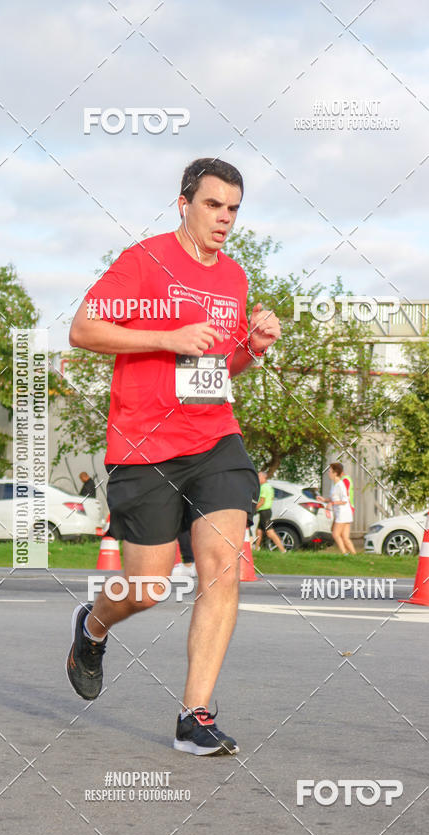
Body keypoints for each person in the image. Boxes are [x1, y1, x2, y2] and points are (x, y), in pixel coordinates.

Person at [66, 158, 281, 756]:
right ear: (183, 203)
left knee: (222, 563)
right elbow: (83, 329)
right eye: (214, 205)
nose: (225, 219)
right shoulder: (145, 260)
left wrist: (252, 348)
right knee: (150, 586)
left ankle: (196, 716)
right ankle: (94, 625)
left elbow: (218, 365)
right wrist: (167, 336)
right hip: (144, 446)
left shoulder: (234, 278)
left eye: (234, 209)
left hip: (214, 438)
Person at [318, 462, 356, 555]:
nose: (328, 473)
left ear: (335, 473)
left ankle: (345, 554)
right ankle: (354, 555)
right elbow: (333, 498)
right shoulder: (334, 484)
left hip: (343, 513)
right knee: (344, 537)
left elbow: (344, 500)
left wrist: (332, 503)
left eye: (330, 471)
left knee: (335, 534)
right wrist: (324, 500)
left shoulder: (340, 485)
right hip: (342, 513)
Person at [254, 471, 286, 553]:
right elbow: (271, 498)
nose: (257, 478)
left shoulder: (264, 487)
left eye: (259, 477)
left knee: (269, 532)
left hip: (265, 512)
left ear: (264, 478)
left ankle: (283, 550)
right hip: (265, 511)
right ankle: (257, 548)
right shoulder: (269, 487)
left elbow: (262, 501)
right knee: (259, 531)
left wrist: (254, 509)